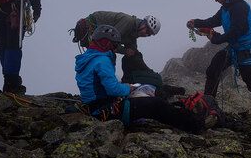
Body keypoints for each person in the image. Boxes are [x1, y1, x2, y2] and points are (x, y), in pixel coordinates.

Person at [74, 24, 206, 132]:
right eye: (114, 45)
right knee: (156, 104)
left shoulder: (86, 59)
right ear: (105, 42)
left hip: (96, 108)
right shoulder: (102, 60)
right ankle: (197, 126)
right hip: (109, 111)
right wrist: (128, 88)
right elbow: (113, 89)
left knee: (149, 98)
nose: (114, 49)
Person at [186, 0, 251, 133]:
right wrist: (195, 22)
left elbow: (238, 30)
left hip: (244, 51)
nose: (216, 0)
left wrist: (217, 38)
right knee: (213, 69)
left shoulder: (239, 6)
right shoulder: (225, 7)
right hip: (234, 49)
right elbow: (213, 20)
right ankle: (208, 108)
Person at [71, 11, 163, 88]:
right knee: (106, 58)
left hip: (93, 30)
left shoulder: (133, 35)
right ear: (143, 23)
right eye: (147, 31)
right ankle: (103, 87)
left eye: (149, 34)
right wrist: (124, 51)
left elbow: (135, 54)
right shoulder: (128, 22)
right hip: (90, 27)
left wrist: (148, 71)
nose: (145, 34)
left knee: (103, 58)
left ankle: (102, 85)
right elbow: (110, 40)